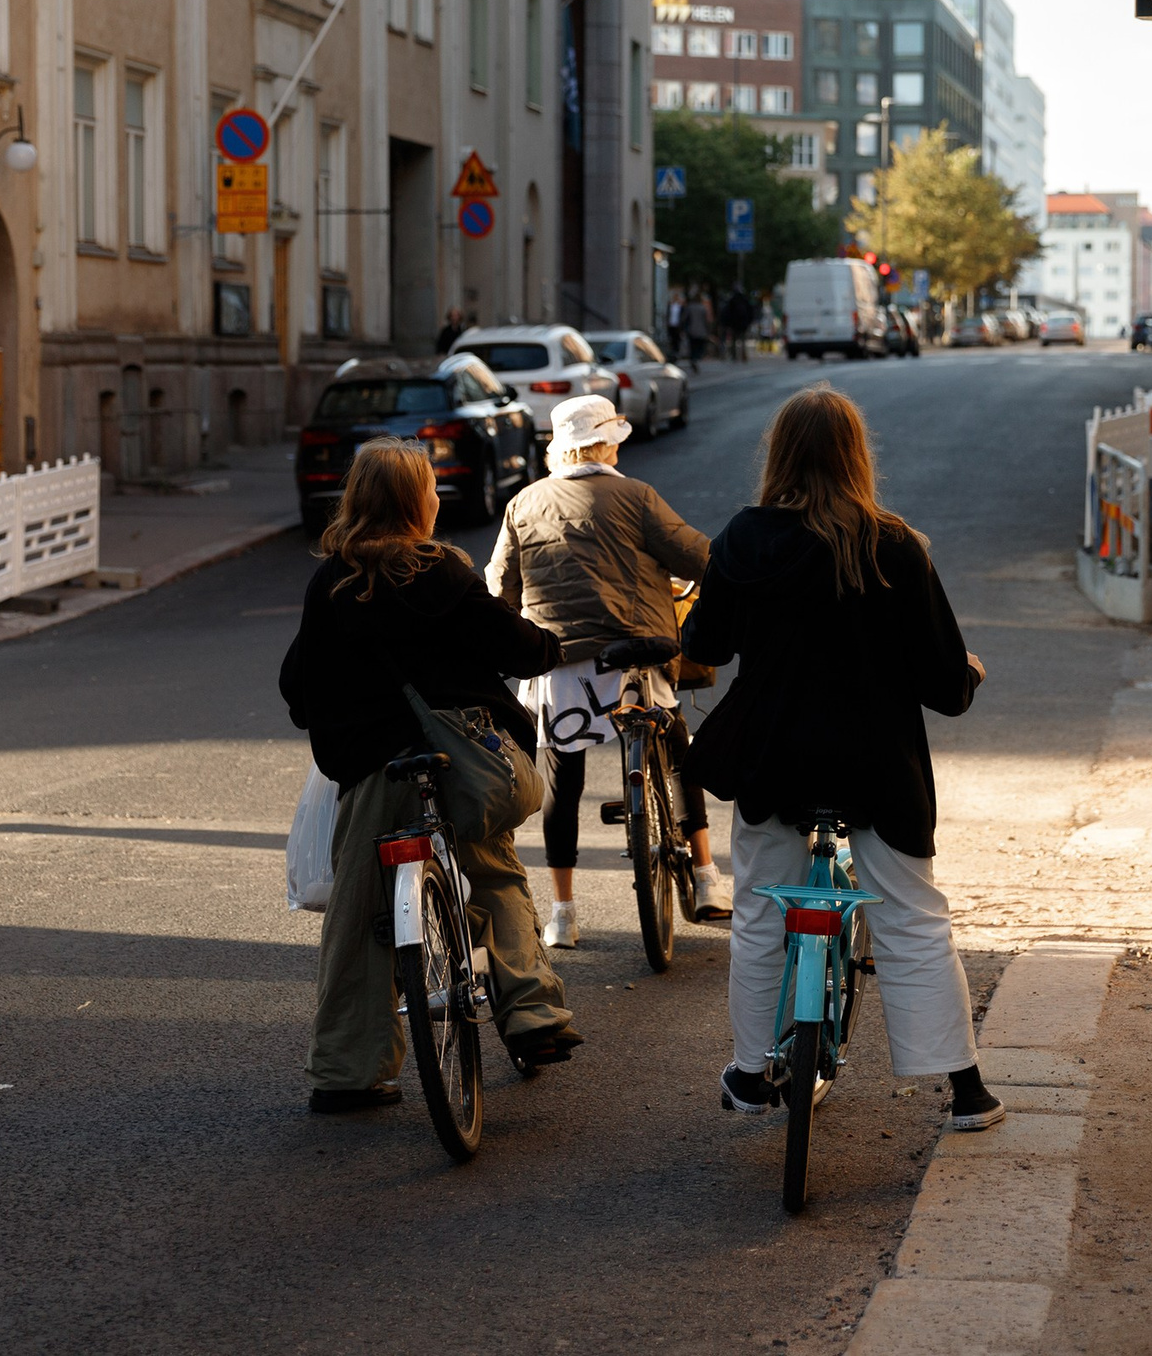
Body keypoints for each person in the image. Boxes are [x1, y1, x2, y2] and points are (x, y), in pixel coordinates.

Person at [679, 387, 1005, 1132]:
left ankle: (750, 1073)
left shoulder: (742, 540)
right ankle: (966, 1092)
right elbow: (943, 685)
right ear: (858, 455)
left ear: (779, 455)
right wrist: (969, 674)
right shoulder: (895, 545)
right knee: (914, 920)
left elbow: (705, 646)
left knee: (758, 912)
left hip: (774, 760)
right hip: (876, 763)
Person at [279, 438, 582, 1112]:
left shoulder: (331, 584)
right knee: (494, 873)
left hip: (375, 770)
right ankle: (533, 1016)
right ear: (418, 501)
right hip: (462, 765)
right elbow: (518, 648)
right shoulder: (441, 570)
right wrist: (550, 645)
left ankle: (347, 1072)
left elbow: (297, 687)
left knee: (359, 913)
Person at [488, 394, 726, 947]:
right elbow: (697, 556)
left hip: (558, 661)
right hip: (636, 654)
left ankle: (563, 913)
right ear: (607, 444)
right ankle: (707, 876)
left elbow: (500, 588)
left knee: (562, 779)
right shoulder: (636, 495)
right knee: (677, 746)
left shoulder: (523, 503)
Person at [721, 288, 754, 363]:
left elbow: (727, 313)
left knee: (734, 340)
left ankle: (734, 356)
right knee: (743, 340)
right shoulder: (745, 301)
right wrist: (748, 322)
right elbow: (750, 312)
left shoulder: (732, 301)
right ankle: (743, 355)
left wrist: (727, 324)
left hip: (734, 324)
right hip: (743, 323)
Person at [683, 290, 714, 371]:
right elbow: (706, 321)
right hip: (701, 331)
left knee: (692, 346)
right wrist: (708, 330)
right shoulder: (703, 308)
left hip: (691, 330)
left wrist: (685, 329)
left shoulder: (690, 307)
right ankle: (696, 359)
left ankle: (693, 359)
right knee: (699, 346)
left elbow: (685, 319)